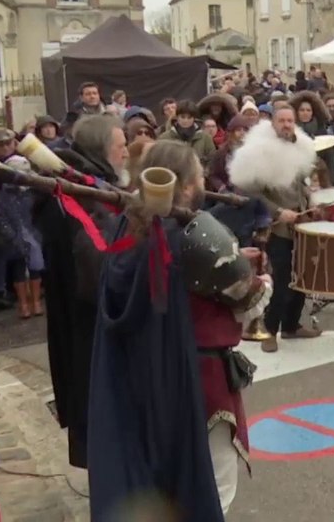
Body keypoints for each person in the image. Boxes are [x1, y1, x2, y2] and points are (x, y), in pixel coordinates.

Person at [89, 140, 269, 521]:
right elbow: (248, 299)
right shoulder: (192, 235)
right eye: (198, 173)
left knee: (164, 486)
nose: (204, 179)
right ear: (186, 185)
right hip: (199, 381)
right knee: (211, 489)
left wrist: (230, 259)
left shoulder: (126, 226)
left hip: (145, 377)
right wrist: (254, 277)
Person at [36, 113, 128, 471]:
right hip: (89, 324)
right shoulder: (81, 197)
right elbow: (101, 269)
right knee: (97, 403)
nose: (125, 154)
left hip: (85, 318)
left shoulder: (88, 186)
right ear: (102, 150)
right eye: (121, 147)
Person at [227, 104, 321, 352]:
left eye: (290, 121)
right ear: (272, 124)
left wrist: (311, 201)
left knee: (302, 277)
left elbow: (302, 182)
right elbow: (250, 190)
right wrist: (278, 212)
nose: (287, 125)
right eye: (282, 121)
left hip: (301, 224)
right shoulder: (260, 151)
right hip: (276, 226)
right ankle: (269, 330)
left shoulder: (301, 147)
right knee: (280, 279)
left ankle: (291, 325)